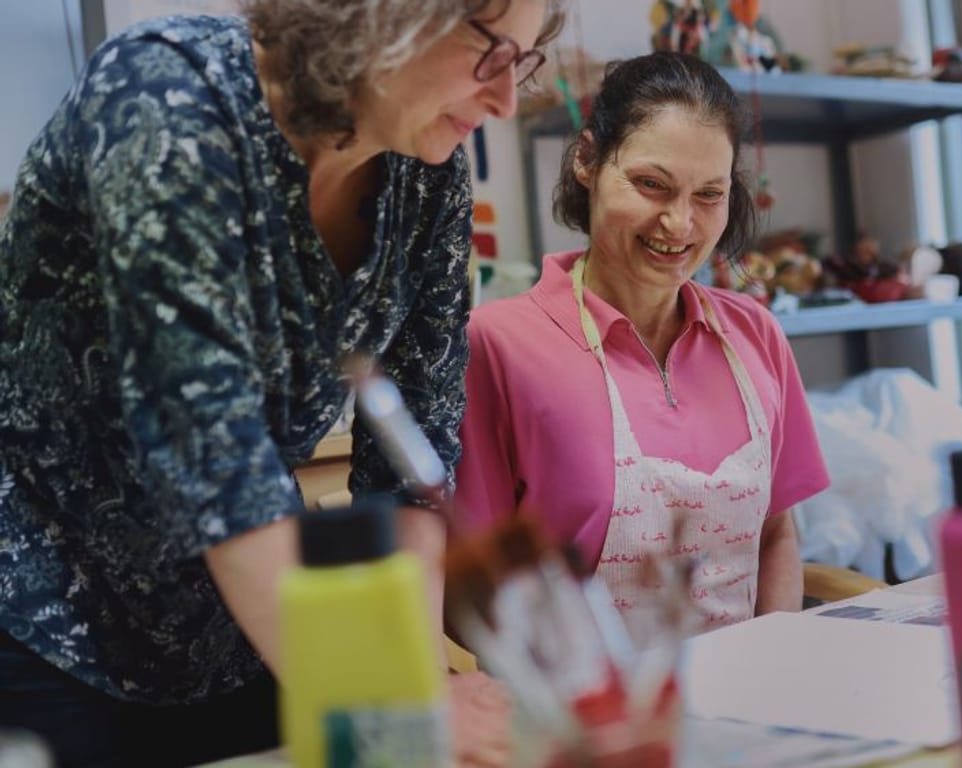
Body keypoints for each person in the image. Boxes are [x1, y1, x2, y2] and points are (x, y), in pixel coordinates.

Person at [0, 1, 561, 765]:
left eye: (521, 65)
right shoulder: (166, 94)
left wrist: (416, 678)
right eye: (493, 55)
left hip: (238, 626)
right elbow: (211, 453)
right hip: (47, 625)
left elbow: (411, 453)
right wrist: (386, 707)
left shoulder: (427, 176)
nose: (505, 102)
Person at [454, 52, 830, 633]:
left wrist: (776, 657)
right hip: (581, 712)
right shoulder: (498, 346)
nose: (679, 225)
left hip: (750, 694)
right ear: (587, 160)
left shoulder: (756, 334)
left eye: (709, 194)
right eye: (652, 185)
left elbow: (777, 531)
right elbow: (472, 586)